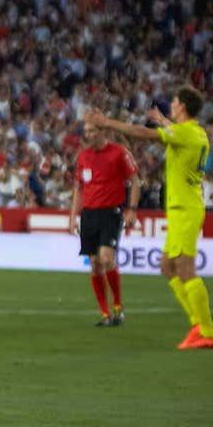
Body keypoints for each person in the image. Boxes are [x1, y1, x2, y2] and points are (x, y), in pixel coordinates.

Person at [86, 85, 213, 349]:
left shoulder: (184, 133)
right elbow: (176, 132)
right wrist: (164, 121)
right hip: (183, 208)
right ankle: (197, 324)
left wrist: (106, 122)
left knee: (185, 269)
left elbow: (144, 134)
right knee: (167, 267)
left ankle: (206, 330)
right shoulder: (196, 132)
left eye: (175, 102)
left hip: (185, 210)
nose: (172, 105)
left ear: (183, 107)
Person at [68, 123, 139, 327]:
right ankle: (104, 313)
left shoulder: (119, 153)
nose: (88, 134)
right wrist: (73, 216)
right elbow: (78, 188)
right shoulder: (83, 156)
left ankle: (117, 305)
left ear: (103, 131)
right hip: (89, 214)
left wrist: (132, 209)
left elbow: (134, 181)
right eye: (87, 131)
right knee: (95, 264)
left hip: (111, 212)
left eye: (92, 131)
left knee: (107, 258)